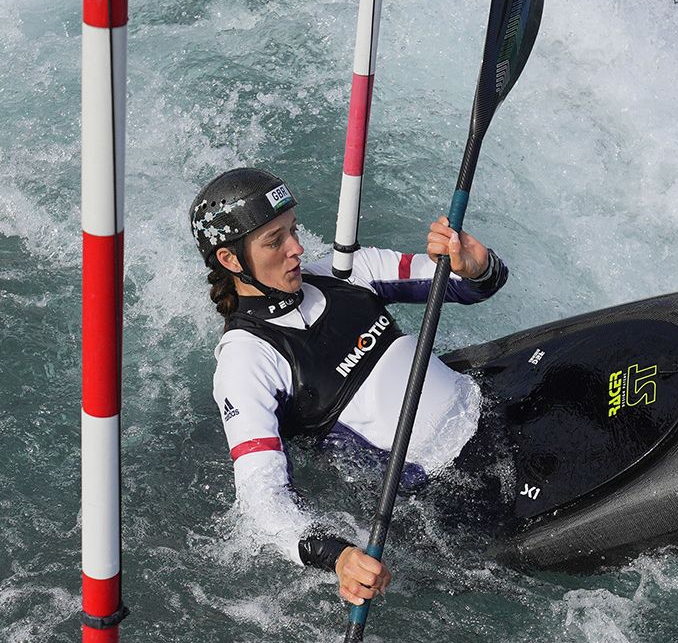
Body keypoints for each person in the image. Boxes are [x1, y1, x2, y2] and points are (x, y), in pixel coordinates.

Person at [195, 167, 508, 606]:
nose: (296, 249)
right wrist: (338, 557)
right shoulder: (247, 360)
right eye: (274, 241)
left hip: (493, 409)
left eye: (293, 230)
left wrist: (474, 264)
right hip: (450, 494)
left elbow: (464, 284)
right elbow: (261, 499)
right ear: (231, 260)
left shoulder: (347, 272)